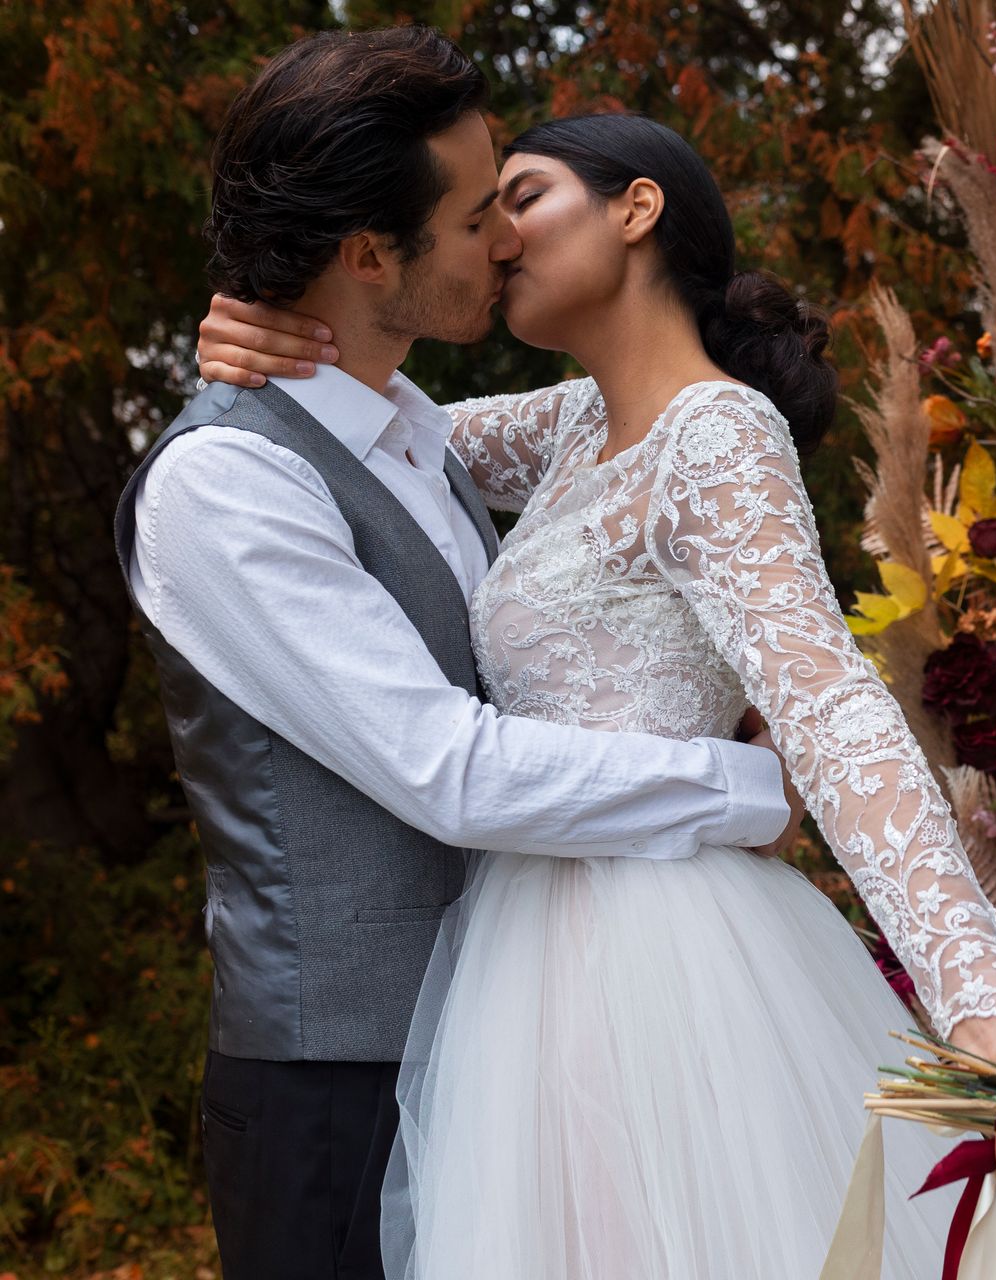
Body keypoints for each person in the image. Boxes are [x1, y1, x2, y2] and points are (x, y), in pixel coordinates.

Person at [195, 34, 996, 1280]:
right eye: (482, 216)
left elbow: (833, 708)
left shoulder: (718, 436)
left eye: (520, 199)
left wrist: (982, 1003)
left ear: (637, 209)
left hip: (667, 959)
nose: (502, 240)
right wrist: (258, 340)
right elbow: (372, 437)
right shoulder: (566, 426)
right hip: (519, 969)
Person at [114, 28, 811, 1280]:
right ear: (371, 253)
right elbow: (453, 769)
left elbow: (643, 433)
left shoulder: (419, 437)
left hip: (516, 1044)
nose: (509, 241)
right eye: (480, 212)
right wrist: (749, 781)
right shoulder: (225, 483)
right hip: (338, 1088)